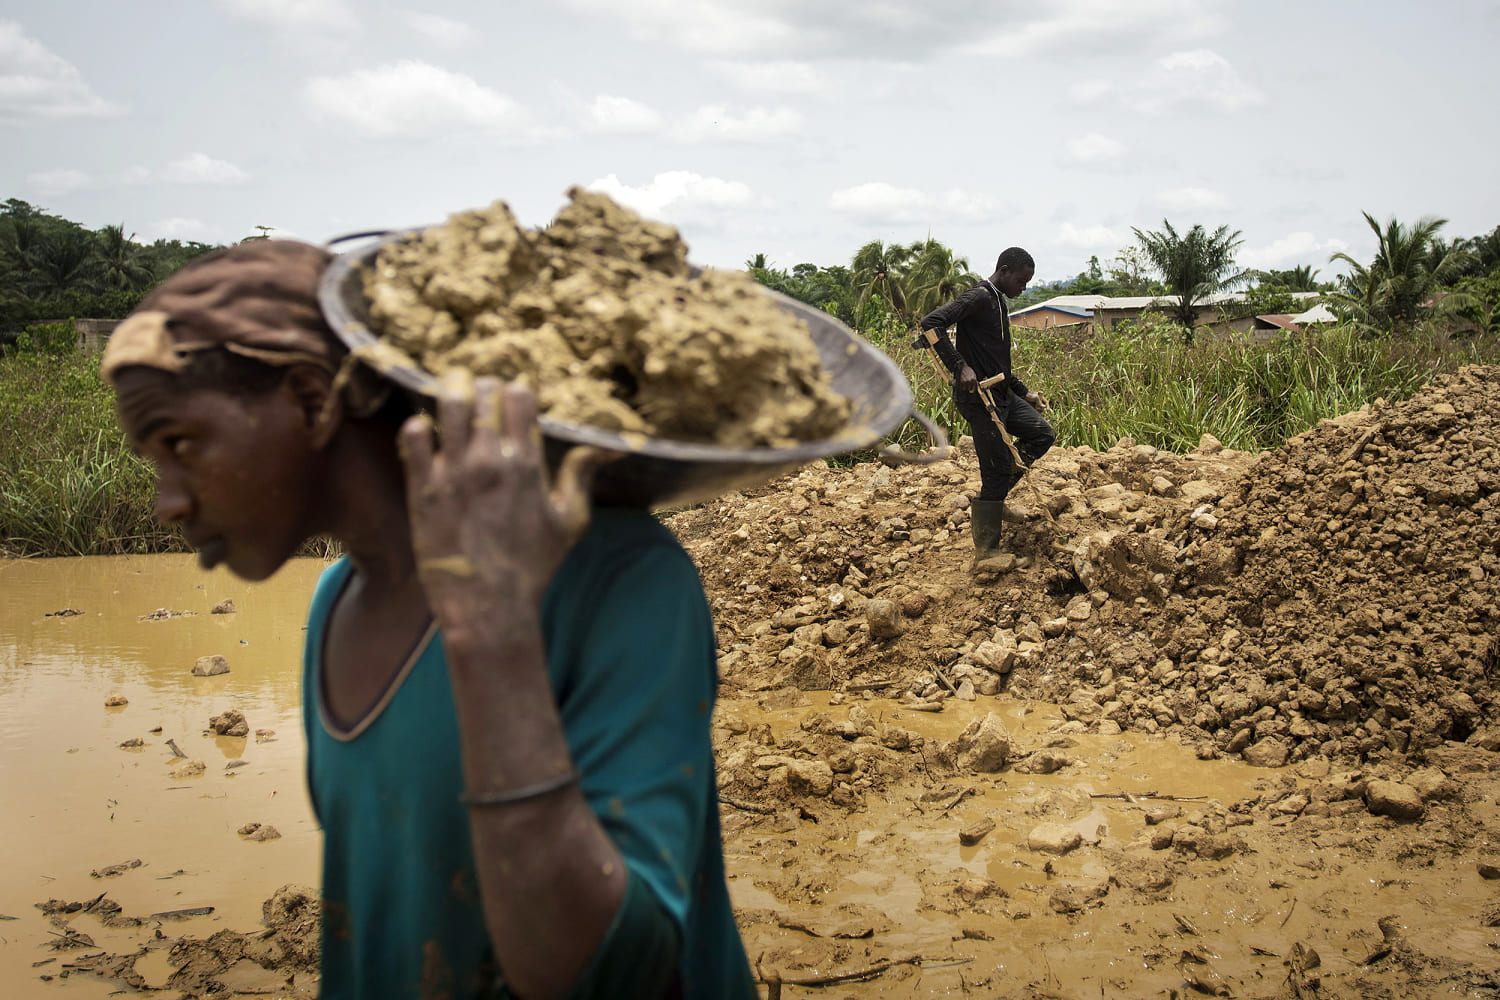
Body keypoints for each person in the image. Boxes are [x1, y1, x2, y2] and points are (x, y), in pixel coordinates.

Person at [101, 240, 757, 999]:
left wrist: (491, 633)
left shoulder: (614, 574)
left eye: (180, 445)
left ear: (313, 402)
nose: (168, 502)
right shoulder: (335, 603)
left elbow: (607, 971)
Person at [917, 247, 1055, 563]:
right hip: (980, 399)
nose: (1024, 287)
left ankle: (996, 498)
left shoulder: (998, 301)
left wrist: (1024, 392)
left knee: (1042, 434)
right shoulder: (979, 296)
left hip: (1002, 393)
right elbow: (931, 323)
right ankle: (987, 551)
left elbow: (996, 361)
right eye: (1022, 280)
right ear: (1004, 270)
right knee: (996, 469)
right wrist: (959, 366)